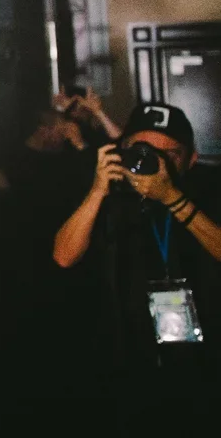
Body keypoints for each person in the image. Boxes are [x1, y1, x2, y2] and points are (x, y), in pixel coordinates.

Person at [53, 102, 220, 389]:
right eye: (144, 151)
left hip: (206, 365)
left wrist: (172, 198)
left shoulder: (209, 189)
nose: (156, 163)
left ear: (191, 160)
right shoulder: (105, 190)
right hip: (126, 365)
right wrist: (96, 192)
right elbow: (64, 257)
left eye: (169, 155)